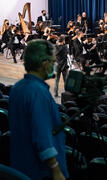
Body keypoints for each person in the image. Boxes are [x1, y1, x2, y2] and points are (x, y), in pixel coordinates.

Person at [8, 39, 68, 180]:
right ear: (44, 64)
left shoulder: (17, 88)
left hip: (21, 167)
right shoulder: (38, 93)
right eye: (53, 62)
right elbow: (42, 137)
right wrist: (56, 170)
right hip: (40, 172)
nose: (54, 65)